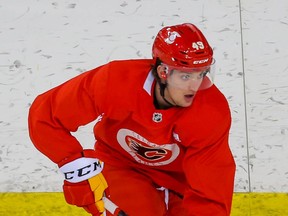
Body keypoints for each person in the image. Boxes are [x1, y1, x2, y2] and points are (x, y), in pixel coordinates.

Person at [28, 23, 236, 216]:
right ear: (163, 72)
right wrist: (76, 167)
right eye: (185, 76)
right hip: (121, 166)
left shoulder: (211, 110)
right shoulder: (115, 81)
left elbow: (211, 187)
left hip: (182, 182)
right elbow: (46, 114)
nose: (195, 86)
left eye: (201, 74)